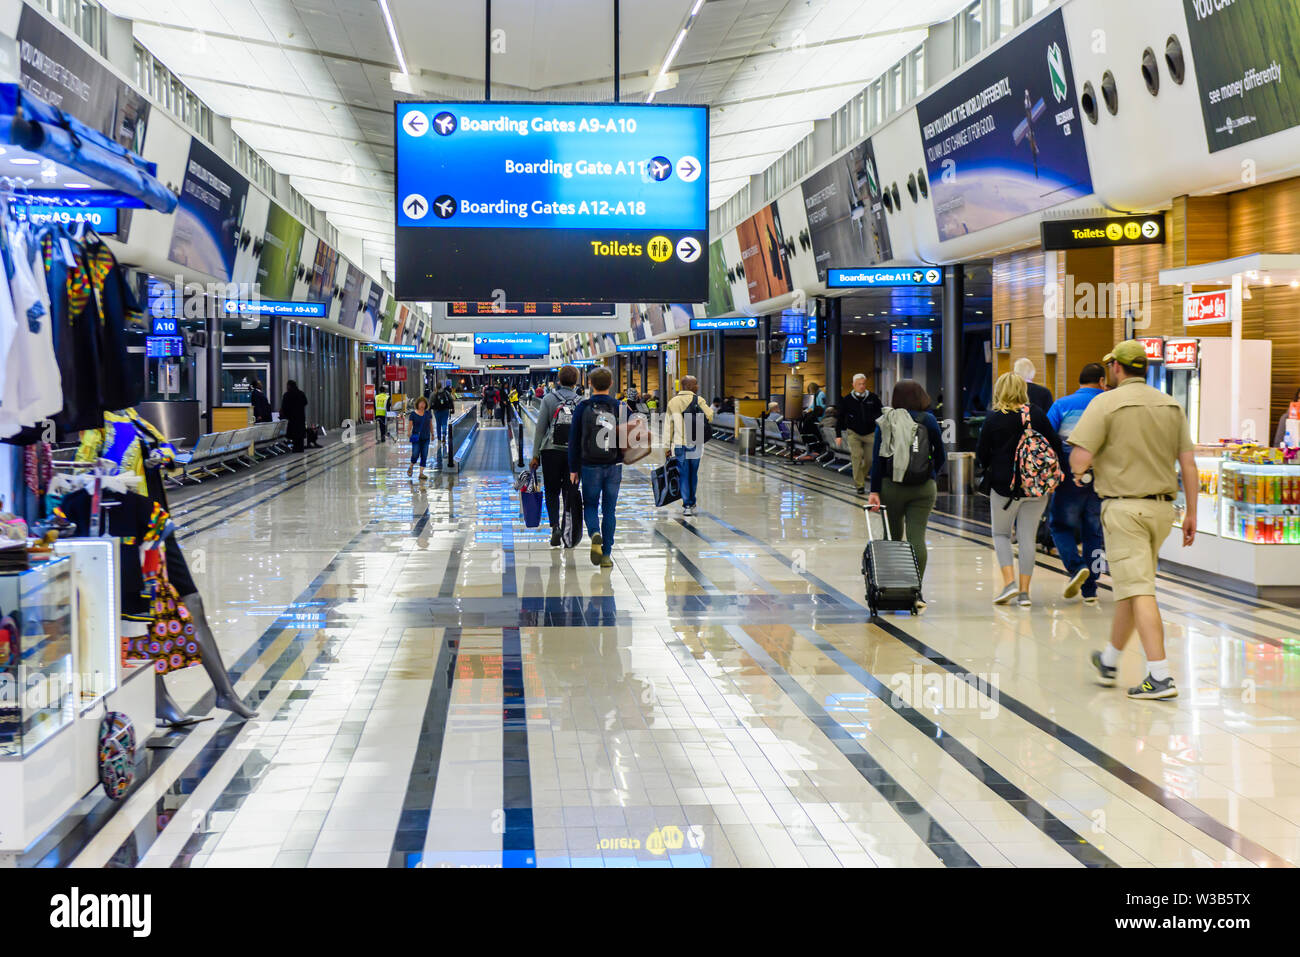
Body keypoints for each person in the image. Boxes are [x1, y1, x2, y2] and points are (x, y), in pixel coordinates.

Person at [1070, 340, 1198, 701]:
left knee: (1139, 588)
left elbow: (1080, 457)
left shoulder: (1105, 403)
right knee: (1132, 582)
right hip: (1162, 511)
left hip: (1125, 509)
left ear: (1117, 369)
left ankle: (1160, 675)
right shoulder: (1171, 405)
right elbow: (1188, 463)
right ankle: (1110, 660)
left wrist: (1083, 472)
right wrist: (1192, 513)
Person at [976, 373, 1064, 607]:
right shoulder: (1035, 413)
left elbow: (981, 456)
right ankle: (1025, 593)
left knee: (1001, 534)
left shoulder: (994, 418)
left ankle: (1009, 584)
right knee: (1027, 538)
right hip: (1036, 487)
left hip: (1005, 488)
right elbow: (1055, 445)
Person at [867, 380, 946, 609]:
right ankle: (915, 592)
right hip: (923, 487)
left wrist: (874, 491)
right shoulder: (928, 420)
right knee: (916, 538)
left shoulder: (886, 420)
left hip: (891, 487)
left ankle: (890, 590)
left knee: (891, 538)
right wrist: (931, 474)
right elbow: (940, 453)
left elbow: (878, 459)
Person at [1048, 363, 1108, 604]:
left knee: (1060, 525)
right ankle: (1091, 588)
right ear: (1102, 381)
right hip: (1102, 477)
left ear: (1080, 381)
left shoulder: (1061, 405)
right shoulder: (1109, 404)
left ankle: (1076, 567)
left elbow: (1049, 440)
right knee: (1093, 529)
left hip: (1068, 475)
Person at [569, 366, 625, 569]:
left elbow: (574, 440)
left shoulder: (583, 407)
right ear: (611, 384)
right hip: (613, 465)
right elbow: (627, 438)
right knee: (610, 510)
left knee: (590, 505)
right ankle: (607, 555)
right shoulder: (620, 407)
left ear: (590, 384)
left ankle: (594, 533)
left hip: (589, 465)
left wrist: (573, 469)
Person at [530, 364, 582, 548]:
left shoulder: (549, 399)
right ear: (575, 381)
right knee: (570, 492)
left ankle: (555, 528)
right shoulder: (581, 401)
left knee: (552, 491)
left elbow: (540, 428)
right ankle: (567, 528)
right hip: (573, 455)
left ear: (559, 380)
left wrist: (535, 455)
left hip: (550, 451)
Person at [663, 375, 715, 516]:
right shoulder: (699, 400)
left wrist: (666, 447)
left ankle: (687, 504)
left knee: (683, 473)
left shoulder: (673, 402)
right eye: (696, 384)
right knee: (693, 473)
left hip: (680, 444)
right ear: (691, 386)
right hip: (696, 442)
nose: (697, 386)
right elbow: (710, 415)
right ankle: (692, 502)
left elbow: (669, 426)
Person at [837, 374, 885, 494]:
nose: (862, 386)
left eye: (864, 384)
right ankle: (860, 485)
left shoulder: (873, 398)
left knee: (870, 460)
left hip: (870, 433)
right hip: (854, 433)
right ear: (853, 385)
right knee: (856, 457)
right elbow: (840, 417)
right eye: (859, 384)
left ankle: (860, 477)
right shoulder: (847, 400)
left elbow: (881, 413)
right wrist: (838, 435)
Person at [431, 379, 456, 469]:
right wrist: (452, 409)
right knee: (444, 423)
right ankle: (444, 435)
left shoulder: (434, 394)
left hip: (437, 411)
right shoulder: (446, 392)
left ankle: (439, 437)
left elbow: (430, 403)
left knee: (438, 424)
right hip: (445, 410)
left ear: (436, 387)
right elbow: (451, 400)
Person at [407, 396, 433, 480]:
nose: (422, 405)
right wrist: (409, 432)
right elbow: (410, 424)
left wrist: (432, 434)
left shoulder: (428, 413)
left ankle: (421, 473)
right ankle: (411, 466)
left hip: (426, 437)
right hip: (416, 438)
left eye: (424, 403)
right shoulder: (413, 414)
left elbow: (430, 424)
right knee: (415, 453)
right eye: (420, 403)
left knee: (424, 455)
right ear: (417, 404)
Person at [281, 380, 308, 453]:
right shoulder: (301, 393)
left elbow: (284, 407)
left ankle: (295, 448)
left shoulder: (287, 395)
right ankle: (300, 448)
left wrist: (285, 415)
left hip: (291, 418)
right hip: (300, 417)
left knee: (293, 433)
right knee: (300, 433)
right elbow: (305, 402)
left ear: (289, 386)